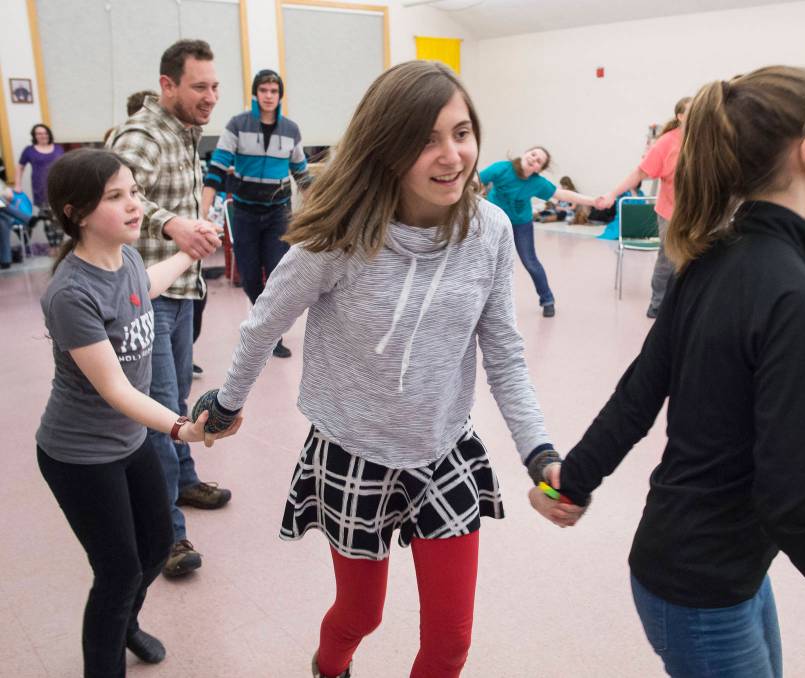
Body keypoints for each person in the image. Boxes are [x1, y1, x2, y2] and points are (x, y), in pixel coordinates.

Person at [190, 60, 580, 678]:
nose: (452, 155)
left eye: (461, 132)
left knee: (451, 642)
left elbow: (502, 349)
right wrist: (229, 401)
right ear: (387, 148)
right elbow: (266, 320)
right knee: (359, 615)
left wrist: (540, 453)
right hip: (354, 451)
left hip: (443, 449)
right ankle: (330, 668)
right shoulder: (339, 236)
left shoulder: (491, 232)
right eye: (426, 139)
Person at [532, 67, 805, 678]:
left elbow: (638, 391)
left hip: (699, 566)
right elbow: (789, 497)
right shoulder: (795, 301)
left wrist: (571, 480)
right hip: (704, 586)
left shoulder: (710, 257)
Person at [36, 149, 241, 678]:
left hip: (129, 443)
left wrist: (189, 252)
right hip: (79, 456)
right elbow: (115, 390)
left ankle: (126, 622)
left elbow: (142, 289)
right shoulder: (69, 293)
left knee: (154, 547)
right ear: (76, 213)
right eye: (116, 197)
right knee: (117, 569)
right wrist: (181, 428)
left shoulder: (123, 258)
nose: (134, 206)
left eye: (133, 192)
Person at [108, 39, 230, 578]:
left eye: (214, 86)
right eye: (199, 87)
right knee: (157, 414)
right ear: (168, 85)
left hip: (181, 293)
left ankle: (183, 481)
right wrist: (172, 223)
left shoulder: (185, 132)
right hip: (147, 298)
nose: (210, 97)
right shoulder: (144, 133)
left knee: (175, 398)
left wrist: (193, 223)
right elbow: (113, 191)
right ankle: (167, 537)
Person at [201, 68, 312, 358]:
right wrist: (203, 212)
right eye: (263, 90)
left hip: (278, 213)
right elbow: (217, 168)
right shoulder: (238, 125)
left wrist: (319, 213)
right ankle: (262, 325)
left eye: (274, 91)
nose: (268, 96)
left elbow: (302, 174)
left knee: (276, 276)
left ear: (280, 96)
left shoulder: (291, 130)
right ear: (255, 94)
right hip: (245, 214)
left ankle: (269, 334)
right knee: (250, 278)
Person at [596, 97, 691, 318]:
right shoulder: (667, 142)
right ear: (680, 116)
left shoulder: (707, 138)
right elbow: (640, 172)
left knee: (695, 262)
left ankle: (686, 305)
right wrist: (612, 193)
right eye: (691, 110)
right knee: (668, 261)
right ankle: (658, 304)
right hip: (671, 213)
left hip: (698, 213)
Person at [479, 148, 598, 317]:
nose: (534, 159)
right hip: (495, 221)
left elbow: (562, 194)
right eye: (533, 154)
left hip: (521, 223)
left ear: (538, 169)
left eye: (539, 161)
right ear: (525, 153)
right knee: (487, 260)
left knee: (530, 261)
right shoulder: (502, 168)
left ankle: (547, 299)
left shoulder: (537, 183)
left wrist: (593, 201)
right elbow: (475, 179)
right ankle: (481, 302)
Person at [15, 123, 65, 252]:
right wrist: (17, 185)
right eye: (39, 133)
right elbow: (20, 167)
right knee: (47, 218)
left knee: (59, 218)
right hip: (41, 189)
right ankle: (53, 247)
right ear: (35, 136)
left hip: (59, 188)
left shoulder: (58, 148)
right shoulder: (29, 150)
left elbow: (65, 166)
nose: (42, 135)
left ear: (49, 134)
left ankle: (59, 245)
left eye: (45, 133)